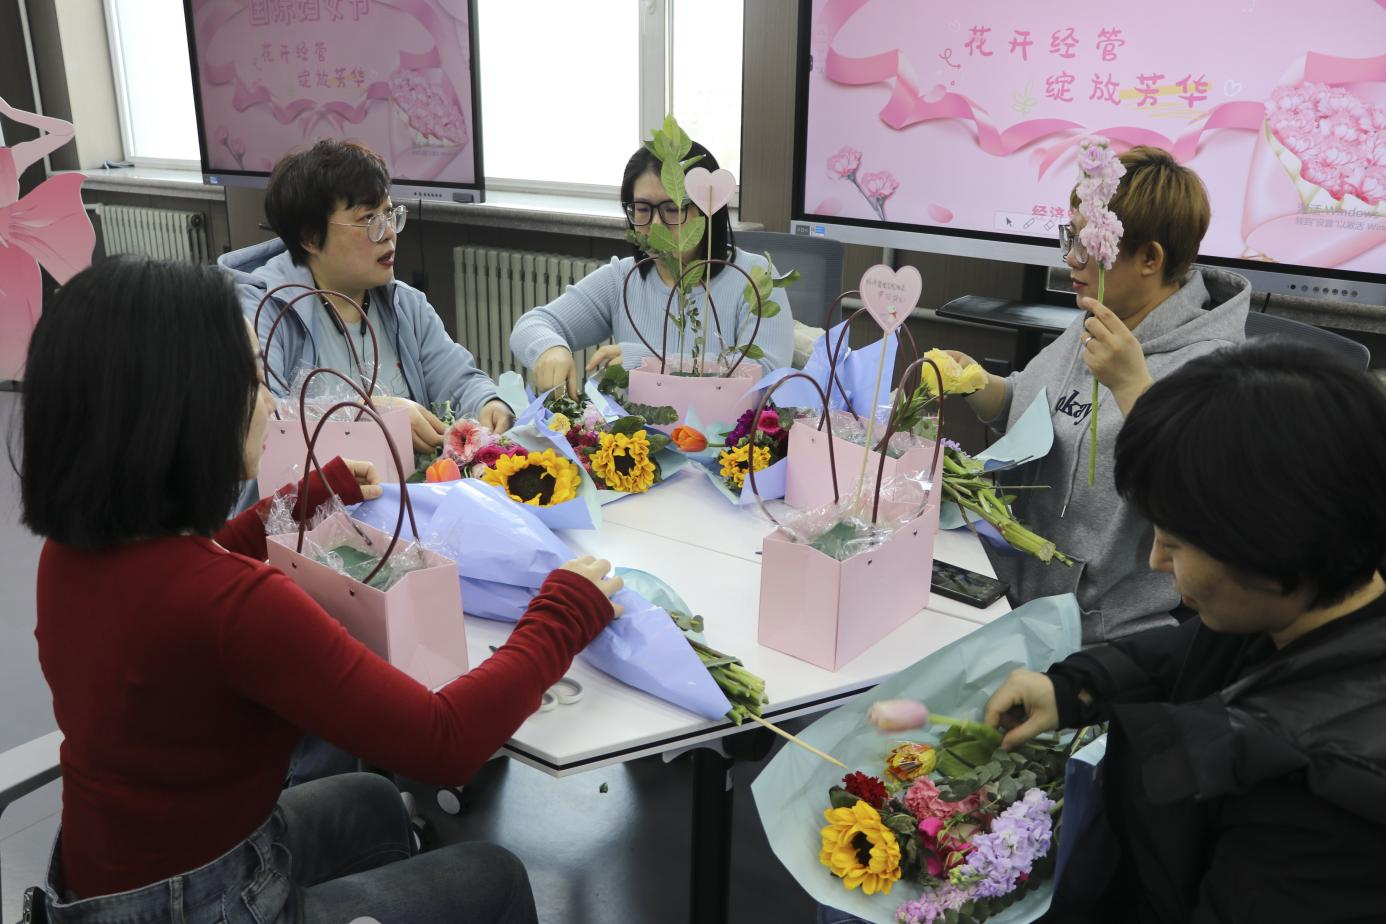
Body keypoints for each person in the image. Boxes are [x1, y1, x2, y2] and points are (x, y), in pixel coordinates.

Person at [19, 256, 619, 922]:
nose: (270, 404)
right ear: (187, 409)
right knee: (493, 875)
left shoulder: (74, 553)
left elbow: (195, 571)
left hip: (108, 883)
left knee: (370, 801)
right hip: (206, 903)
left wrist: (304, 500)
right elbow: (443, 741)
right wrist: (562, 612)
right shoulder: (236, 606)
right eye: (254, 380)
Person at [983, 338, 1386, 922]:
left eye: (1174, 541)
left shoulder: (1327, 804)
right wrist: (1074, 688)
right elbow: (1191, 651)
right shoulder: (1308, 601)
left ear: (1270, 547)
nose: (1155, 561)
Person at [948, 146, 1250, 644]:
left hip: (1103, 637)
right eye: (1070, 237)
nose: (1071, 258)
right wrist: (975, 383)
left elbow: (1201, 497)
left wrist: (1132, 387)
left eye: (1087, 244)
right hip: (1011, 599)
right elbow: (1032, 408)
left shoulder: (1212, 369)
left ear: (1150, 258)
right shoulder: (1101, 316)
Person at [220, 139, 513, 455]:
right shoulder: (263, 310)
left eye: (389, 214)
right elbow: (263, 419)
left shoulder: (406, 306)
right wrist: (370, 413)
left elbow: (459, 382)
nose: (388, 233)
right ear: (310, 237)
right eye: (368, 220)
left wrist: (487, 403)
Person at [510, 140, 794, 396]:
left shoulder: (754, 277)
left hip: (725, 437)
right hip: (638, 436)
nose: (655, 226)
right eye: (643, 210)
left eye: (672, 209)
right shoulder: (622, 278)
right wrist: (551, 348)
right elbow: (531, 325)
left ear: (707, 211)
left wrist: (649, 363)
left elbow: (766, 374)